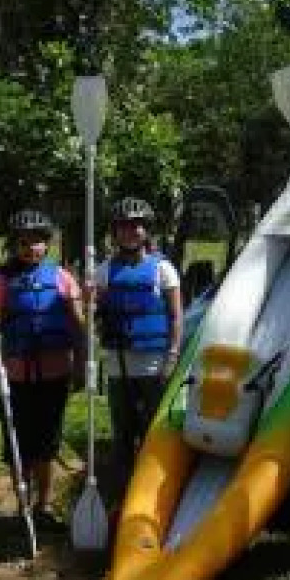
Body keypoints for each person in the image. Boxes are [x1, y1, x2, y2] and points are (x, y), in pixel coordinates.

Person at [0, 209, 86, 521]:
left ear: (47, 245)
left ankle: (44, 504)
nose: (31, 248)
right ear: (13, 245)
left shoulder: (62, 278)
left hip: (54, 376)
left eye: (38, 242)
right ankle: (23, 504)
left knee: (46, 446)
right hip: (15, 378)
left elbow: (79, 328)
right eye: (24, 243)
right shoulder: (2, 280)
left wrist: (82, 365)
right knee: (18, 446)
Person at [95, 196, 184, 506]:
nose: (130, 232)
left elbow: (175, 315)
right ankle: (122, 495)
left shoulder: (163, 270)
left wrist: (173, 353)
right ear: (114, 232)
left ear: (147, 230)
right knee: (123, 435)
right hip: (119, 364)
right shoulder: (104, 270)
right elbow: (96, 311)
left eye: (136, 226)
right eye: (123, 227)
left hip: (155, 364)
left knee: (154, 432)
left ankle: (157, 493)